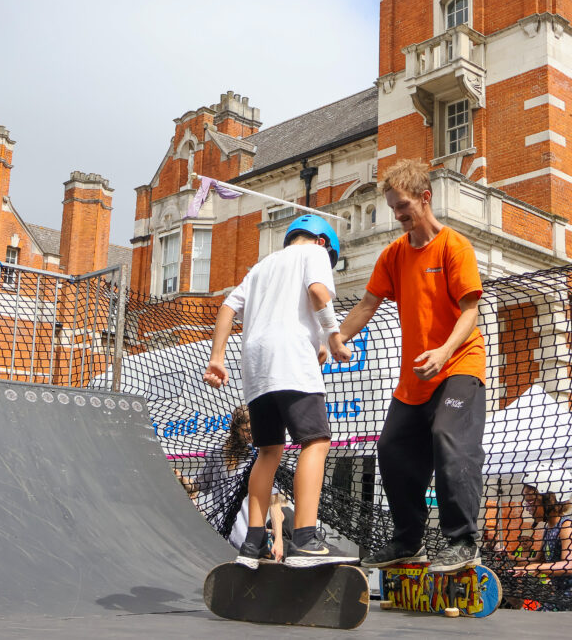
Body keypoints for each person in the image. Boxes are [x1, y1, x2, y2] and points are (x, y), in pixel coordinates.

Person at [334, 158, 487, 573]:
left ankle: (463, 542)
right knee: (392, 447)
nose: (398, 215)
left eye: (403, 205)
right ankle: (408, 542)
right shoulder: (394, 254)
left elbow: (469, 311)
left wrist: (443, 351)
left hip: (459, 364)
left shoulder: (454, 247)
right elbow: (368, 303)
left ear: (425, 198)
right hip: (415, 378)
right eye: (393, 207)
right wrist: (336, 337)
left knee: (448, 439)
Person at [203, 214, 357, 569]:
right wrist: (333, 336)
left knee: (268, 450)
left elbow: (227, 307)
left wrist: (216, 358)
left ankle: (252, 544)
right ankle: (305, 538)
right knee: (315, 441)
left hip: (255, 367)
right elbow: (318, 292)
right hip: (290, 360)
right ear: (323, 243)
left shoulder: (260, 268)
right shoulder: (314, 254)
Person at [175, 405, 287, 558]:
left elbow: (274, 502)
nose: (251, 435)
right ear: (236, 429)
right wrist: (181, 479)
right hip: (221, 536)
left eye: (254, 430)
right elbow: (197, 486)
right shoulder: (217, 454)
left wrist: (278, 540)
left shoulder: (259, 458)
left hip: (250, 539)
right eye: (247, 431)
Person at [508, 463, 572, 610]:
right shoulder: (549, 528)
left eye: (531, 502)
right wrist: (510, 557)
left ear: (548, 499)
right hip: (563, 596)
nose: (527, 508)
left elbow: (567, 566)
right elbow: (538, 560)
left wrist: (534, 567)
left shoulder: (567, 527)